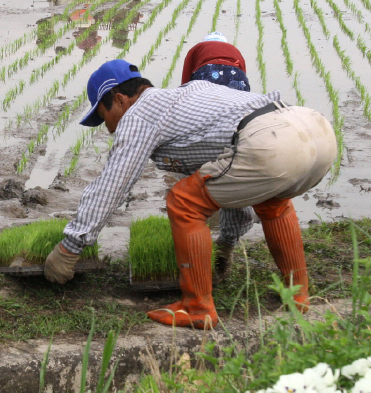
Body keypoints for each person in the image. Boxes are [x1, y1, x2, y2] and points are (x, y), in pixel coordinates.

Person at [44, 59, 337, 329]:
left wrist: (71, 246)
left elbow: (113, 184)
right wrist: (227, 243)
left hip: (269, 141)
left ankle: (197, 308)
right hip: (314, 130)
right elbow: (231, 183)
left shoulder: (141, 113)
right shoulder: (188, 98)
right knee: (273, 203)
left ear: (120, 99)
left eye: (104, 115)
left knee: (183, 202)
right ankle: (298, 294)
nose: (108, 128)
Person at [182, 31, 252, 281]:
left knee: (205, 122)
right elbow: (244, 84)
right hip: (237, 79)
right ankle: (230, 149)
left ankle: (205, 163)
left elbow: (186, 82)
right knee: (234, 132)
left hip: (205, 78)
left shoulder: (197, 50)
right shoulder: (235, 52)